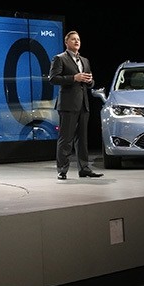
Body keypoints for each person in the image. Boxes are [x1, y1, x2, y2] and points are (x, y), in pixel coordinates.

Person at [49, 30, 103, 180]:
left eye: (78, 39)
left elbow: (90, 82)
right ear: (66, 42)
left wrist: (89, 81)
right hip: (67, 105)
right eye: (73, 39)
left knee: (82, 139)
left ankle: (84, 168)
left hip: (83, 104)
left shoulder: (85, 61)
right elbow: (53, 79)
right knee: (65, 139)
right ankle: (62, 170)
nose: (77, 41)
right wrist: (74, 77)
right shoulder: (59, 59)